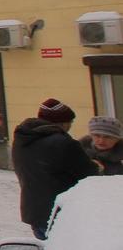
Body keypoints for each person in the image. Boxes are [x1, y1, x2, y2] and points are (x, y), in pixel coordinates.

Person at [11, 99, 96, 240]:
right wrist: (97, 166)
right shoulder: (63, 143)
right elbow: (88, 174)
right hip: (61, 214)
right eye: (70, 122)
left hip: (35, 213)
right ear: (63, 123)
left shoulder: (23, 139)